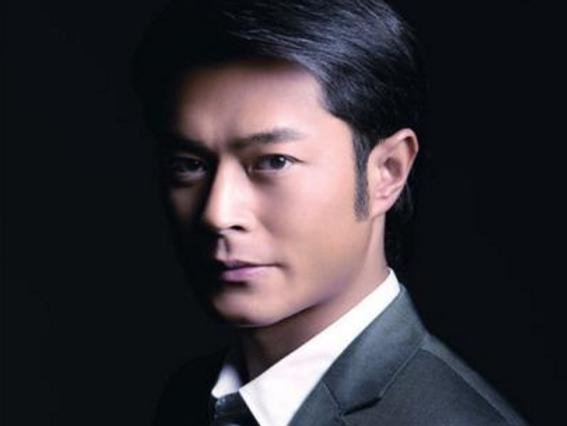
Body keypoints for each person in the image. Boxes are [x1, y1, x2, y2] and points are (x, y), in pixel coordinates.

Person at [132, 0, 528, 424]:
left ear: (388, 171)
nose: (217, 213)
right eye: (189, 165)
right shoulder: (188, 399)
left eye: (274, 161)